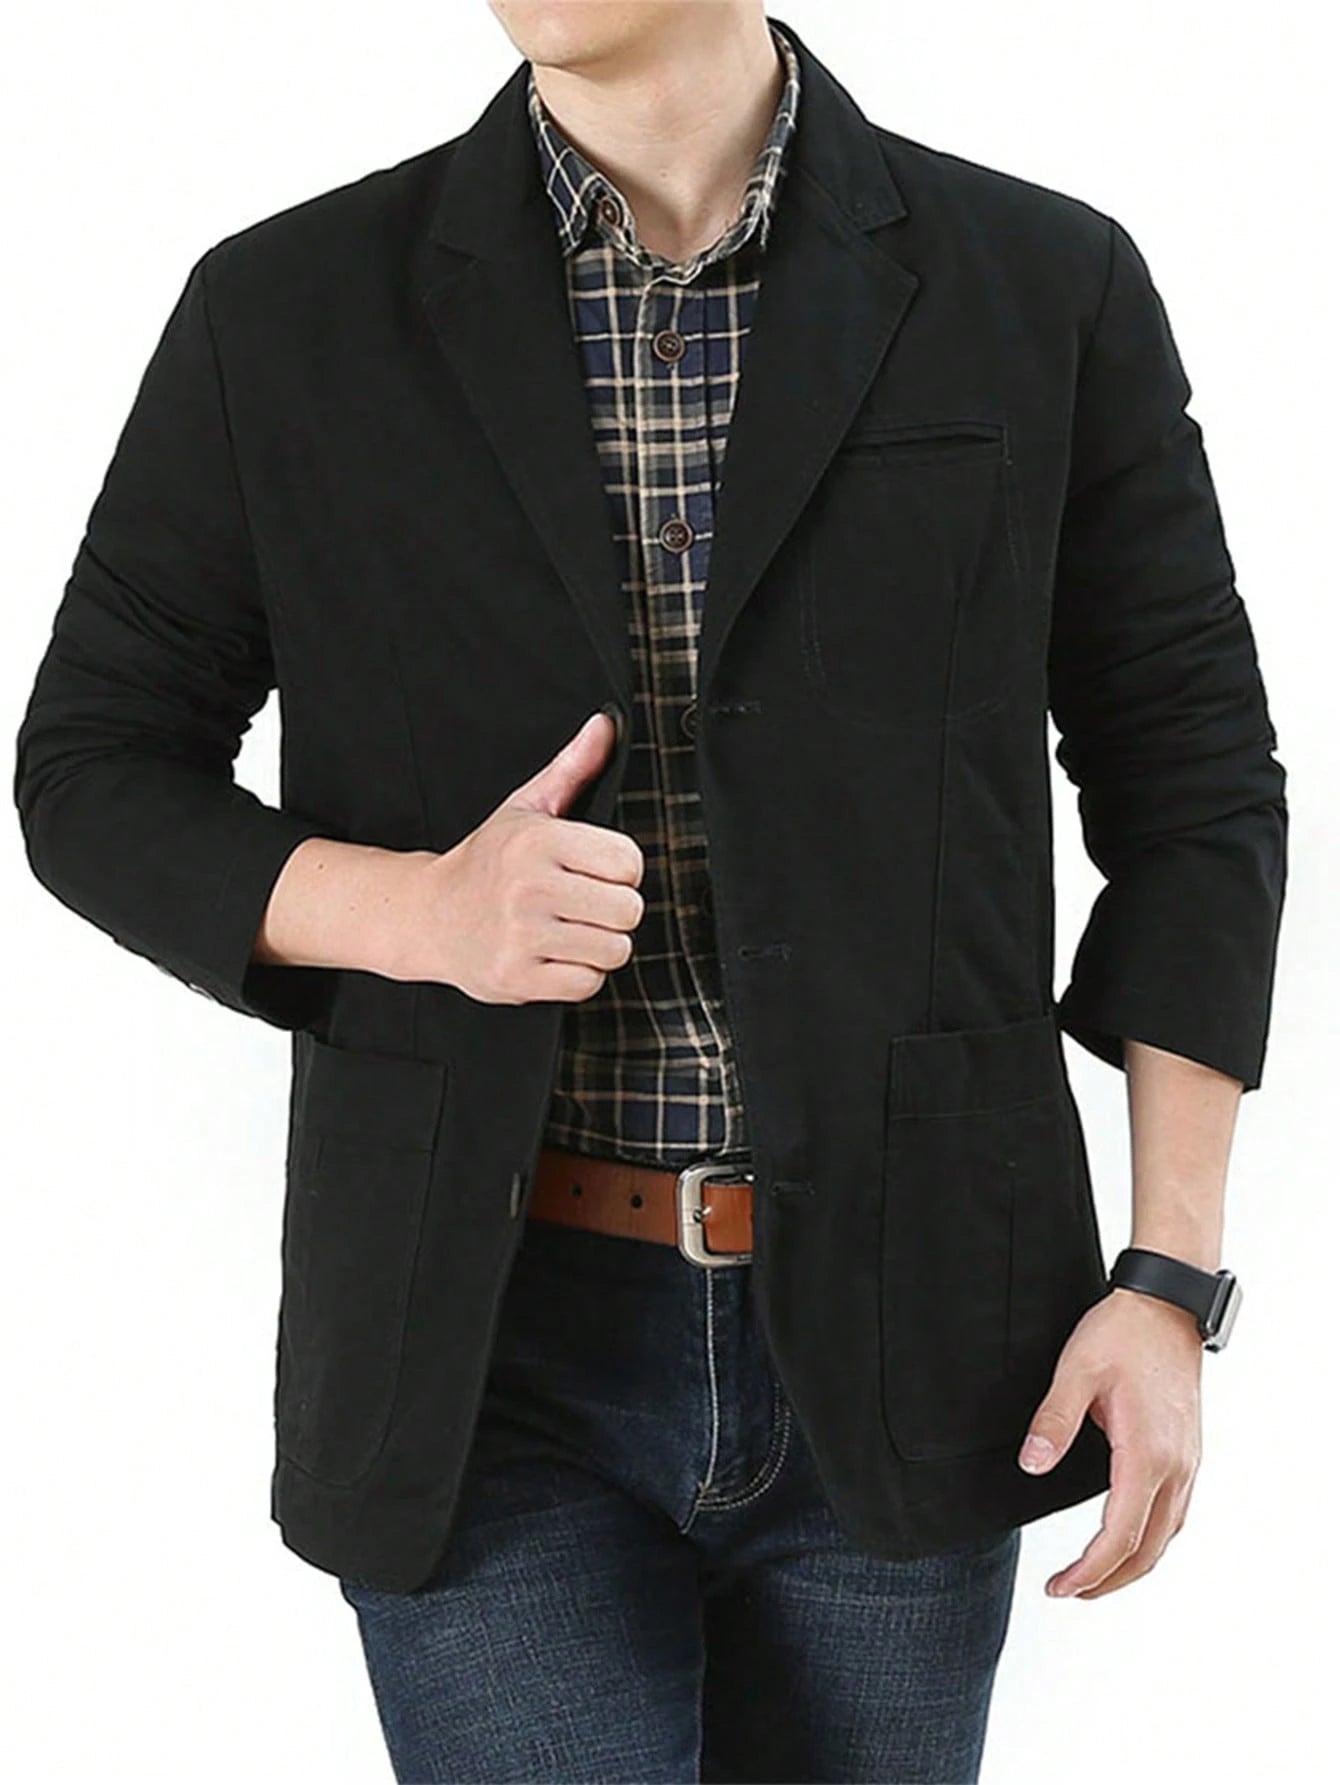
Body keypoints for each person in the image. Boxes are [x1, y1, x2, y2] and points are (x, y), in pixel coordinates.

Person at [13, 4, 1287, 1781]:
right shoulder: (290, 308)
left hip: (920, 1332)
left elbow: (1196, 784)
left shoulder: (1039, 282)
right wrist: (417, 912)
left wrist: (1168, 1275)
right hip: (484, 1355)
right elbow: (89, 764)